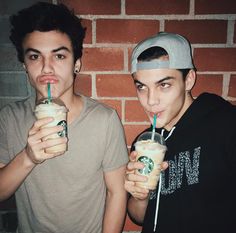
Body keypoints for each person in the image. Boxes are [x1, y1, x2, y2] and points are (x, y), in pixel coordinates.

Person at [0, 2, 128, 233]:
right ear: (24, 66)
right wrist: (28, 157)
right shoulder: (9, 118)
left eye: (59, 56)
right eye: (35, 57)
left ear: (76, 64)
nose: (47, 68)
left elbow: (117, 192)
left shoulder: (104, 120)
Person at [124, 32, 236, 233]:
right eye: (142, 87)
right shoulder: (146, 143)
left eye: (164, 85)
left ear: (189, 79)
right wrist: (139, 197)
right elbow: (139, 218)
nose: (150, 101)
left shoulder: (226, 125)